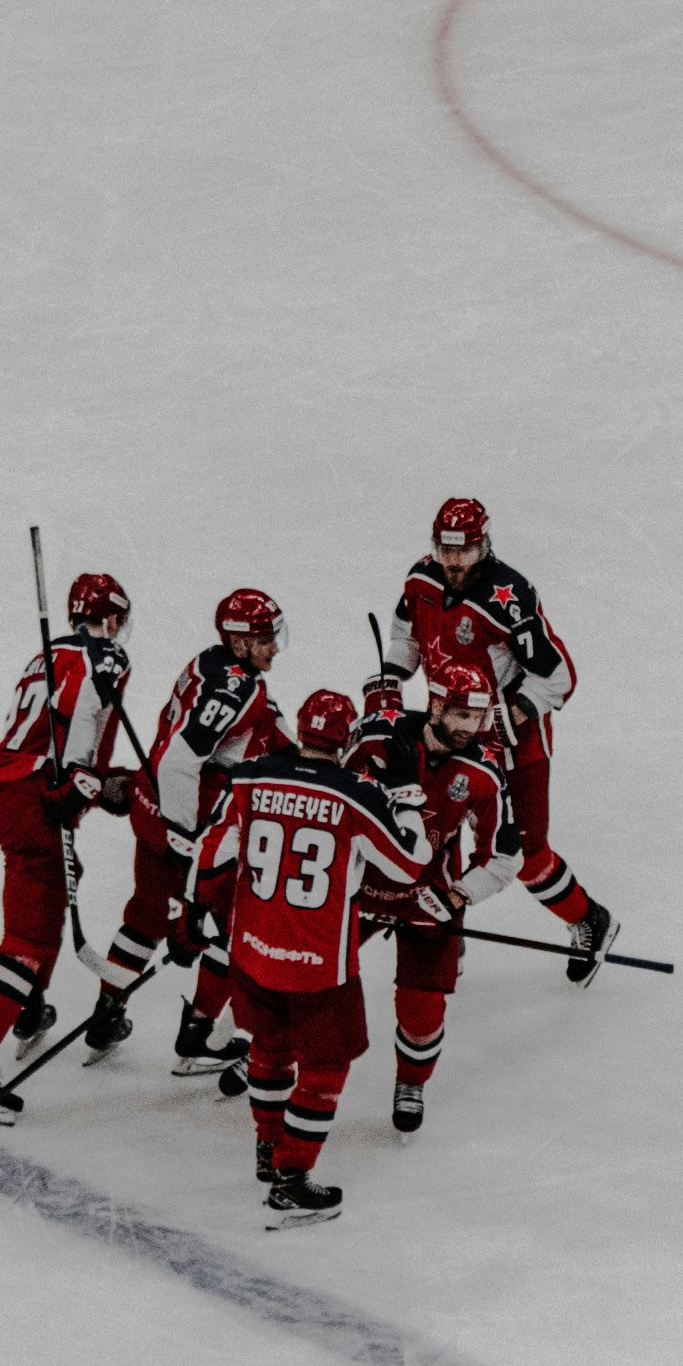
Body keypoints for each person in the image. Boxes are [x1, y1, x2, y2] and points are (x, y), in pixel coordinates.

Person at [192, 689, 428, 1227]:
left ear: (300, 729)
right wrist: (408, 799)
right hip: (319, 964)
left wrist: (193, 907)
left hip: (251, 951)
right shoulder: (356, 793)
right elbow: (409, 864)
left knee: (269, 1051)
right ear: (346, 742)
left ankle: (268, 1148)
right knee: (325, 1068)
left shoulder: (252, 777)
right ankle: (292, 1180)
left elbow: (211, 847)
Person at [378, 497, 615, 985]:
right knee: (436, 835)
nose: (453, 563)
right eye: (446, 552)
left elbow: (558, 675)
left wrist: (518, 713)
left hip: (514, 745)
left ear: (484, 544)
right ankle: (449, 934)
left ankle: (588, 918)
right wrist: (390, 678)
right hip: (448, 731)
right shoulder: (420, 580)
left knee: (527, 856)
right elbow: (407, 635)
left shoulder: (509, 595)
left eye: (463, 553)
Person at [0, 572, 136, 1115]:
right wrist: (79, 785)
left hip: (1, 784)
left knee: (46, 897)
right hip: (37, 793)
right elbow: (82, 710)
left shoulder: (46, 653)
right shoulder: (107, 657)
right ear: (115, 618)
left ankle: (28, 1010)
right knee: (27, 937)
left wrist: (87, 786)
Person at [95, 588, 290, 1073]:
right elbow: (182, 760)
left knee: (144, 915)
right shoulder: (236, 688)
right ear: (239, 642)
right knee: (225, 928)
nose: (274, 648)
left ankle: (106, 1014)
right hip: (189, 818)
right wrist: (186, 841)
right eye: (264, 639)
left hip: (150, 803)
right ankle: (198, 1038)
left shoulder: (211, 663)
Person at [349, 656, 521, 1135]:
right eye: (464, 715)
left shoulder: (483, 770)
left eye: (481, 716)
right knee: (311, 976)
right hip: (357, 886)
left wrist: (458, 898)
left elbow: (504, 857)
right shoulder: (377, 745)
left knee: (422, 1010)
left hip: (426, 894)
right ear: (437, 706)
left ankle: (412, 1082)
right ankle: (255, 1045)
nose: (474, 727)